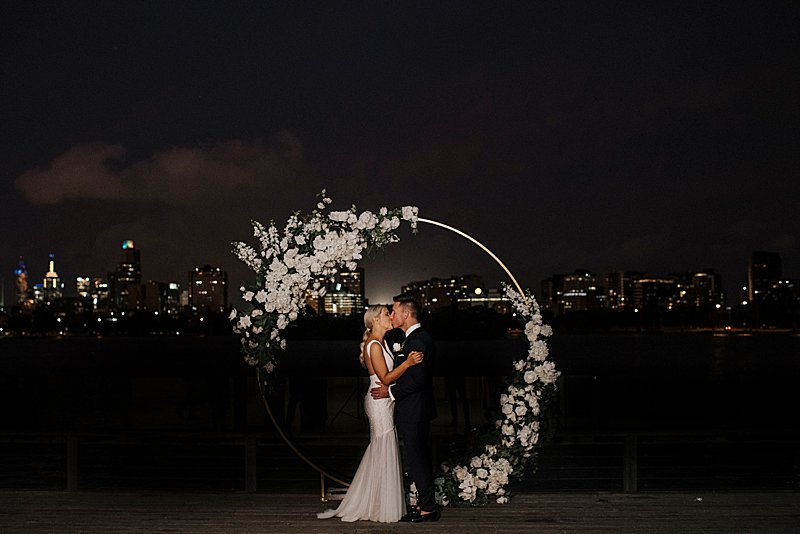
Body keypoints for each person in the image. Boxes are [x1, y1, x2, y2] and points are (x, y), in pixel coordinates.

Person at [318, 305, 423, 523]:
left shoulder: (382, 342)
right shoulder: (373, 345)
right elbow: (384, 378)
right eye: (386, 314)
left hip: (385, 400)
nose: (390, 317)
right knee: (383, 445)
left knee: (383, 447)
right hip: (378, 401)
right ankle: (380, 505)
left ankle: (379, 501)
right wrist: (408, 363)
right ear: (375, 320)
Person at [371, 295, 440, 523]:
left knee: (417, 458)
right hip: (415, 409)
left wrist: (390, 393)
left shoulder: (417, 341)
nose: (392, 314)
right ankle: (424, 505)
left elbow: (418, 380)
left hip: (415, 410)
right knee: (417, 457)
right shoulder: (412, 339)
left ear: (406, 314)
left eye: (394, 310)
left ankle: (428, 509)